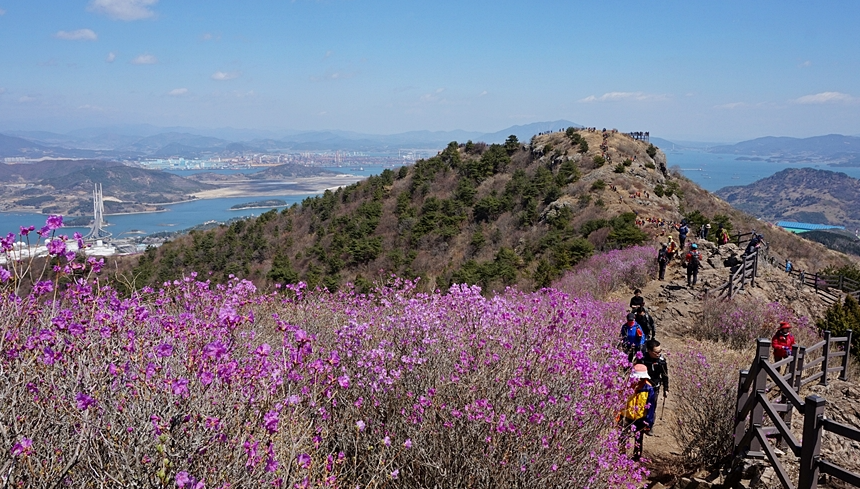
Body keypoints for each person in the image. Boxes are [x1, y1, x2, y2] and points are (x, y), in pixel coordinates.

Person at [619, 364, 657, 461]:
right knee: (622, 437)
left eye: (641, 378)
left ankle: (636, 458)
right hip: (626, 417)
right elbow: (620, 401)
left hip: (640, 418)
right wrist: (618, 415)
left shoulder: (649, 389)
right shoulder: (626, 386)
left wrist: (648, 422)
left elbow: (651, 408)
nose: (638, 381)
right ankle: (621, 457)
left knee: (638, 439)